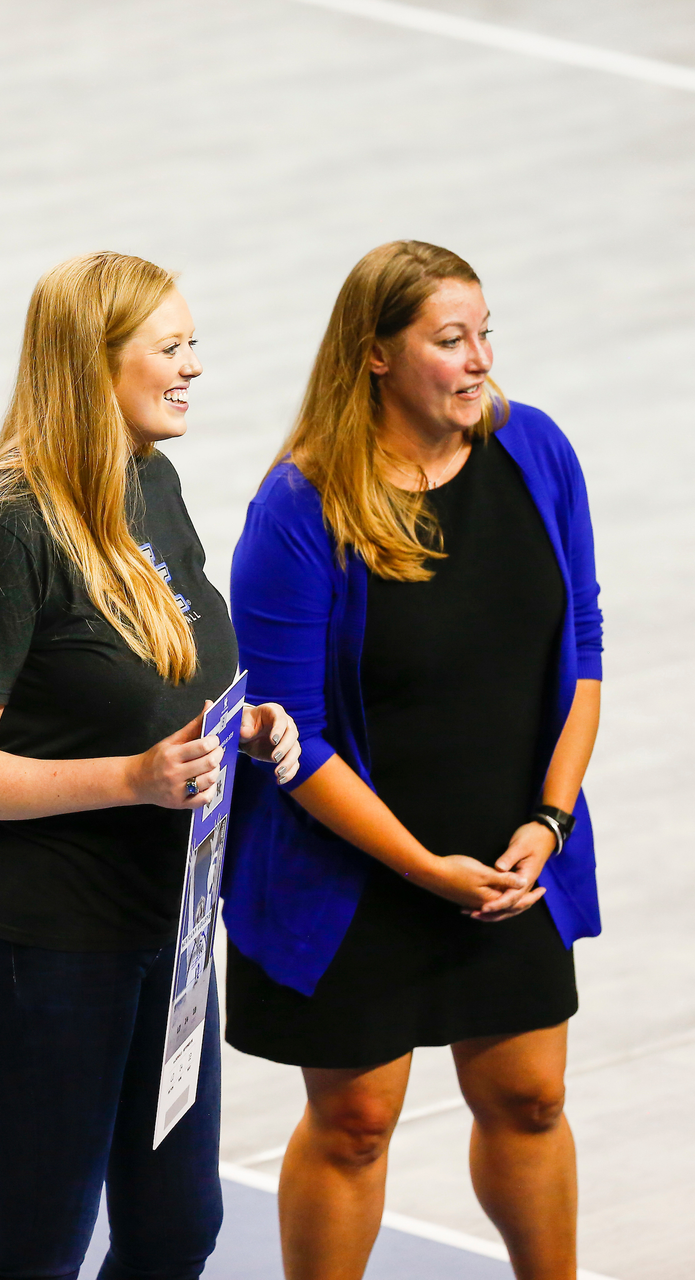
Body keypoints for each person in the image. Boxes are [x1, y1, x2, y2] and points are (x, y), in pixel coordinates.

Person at [0, 251, 300, 1280]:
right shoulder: (5, 532)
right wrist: (133, 777)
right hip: (47, 946)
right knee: (42, 1244)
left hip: (167, 931)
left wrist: (245, 723)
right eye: (170, 348)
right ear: (93, 363)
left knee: (177, 1228)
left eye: (192, 345)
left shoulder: (148, 481)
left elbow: (169, 680)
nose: (194, 368)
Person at [222, 240, 602, 1280]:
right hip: (352, 870)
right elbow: (291, 735)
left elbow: (583, 652)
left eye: (485, 334)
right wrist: (421, 867)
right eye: (449, 340)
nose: (477, 360)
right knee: (353, 1122)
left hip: (511, 856)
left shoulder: (538, 453)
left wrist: (550, 820)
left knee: (530, 1098)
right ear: (377, 354)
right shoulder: (298, 509)